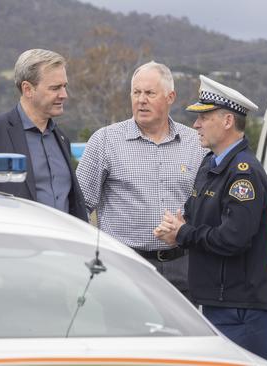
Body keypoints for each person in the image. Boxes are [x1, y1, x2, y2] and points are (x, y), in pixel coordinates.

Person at [154, 75, 267, 361]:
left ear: (227, 121)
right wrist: (176, 228)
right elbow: (194, 217)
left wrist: (182, 234)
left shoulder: (244, 173)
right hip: (216, 302)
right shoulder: (210, 164)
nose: (196, 124)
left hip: (239, 308)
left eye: (204, 117)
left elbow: (233, 238)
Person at [76, 61, 205, 295]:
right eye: (136, 92)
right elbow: (79, 203)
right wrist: (91, 253)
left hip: (183, 268)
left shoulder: (196, 144)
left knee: (182, 332)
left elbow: (207, 206)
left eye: (150, 93)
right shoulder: (105, 141)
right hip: (124, 266)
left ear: (170, 97)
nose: (141, 100)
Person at [0, 49, 87, 222]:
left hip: (61, 246)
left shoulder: (61, 138)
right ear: (28, 89)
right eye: (55, 88)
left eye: (64, 86)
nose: (64, 95)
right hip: (13, 246)